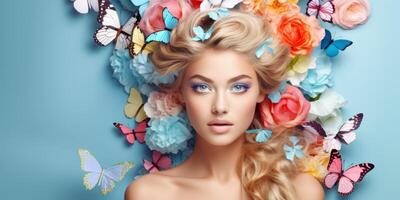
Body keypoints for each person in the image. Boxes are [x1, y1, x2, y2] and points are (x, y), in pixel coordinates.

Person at [125, 9, 324, 200]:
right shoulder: (149, 194)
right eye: (202, 87)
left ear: (261, 91)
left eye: (238, 87)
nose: (220, 107)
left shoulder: (301, 192)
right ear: (181, 92)